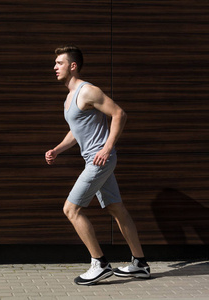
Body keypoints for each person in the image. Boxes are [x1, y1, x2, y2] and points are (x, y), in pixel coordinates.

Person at [45, 44, 150, 285]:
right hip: (95, 160)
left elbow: (119, 114)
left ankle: (99, 263)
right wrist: (57, 150)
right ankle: (140, 264)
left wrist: (107, 146)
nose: (54, 67)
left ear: (73, 66)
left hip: (99, 161)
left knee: (71, 209)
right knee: (116, 209)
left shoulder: (88, 91)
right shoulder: (70, 98)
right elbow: (75, 131)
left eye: (59, 63)